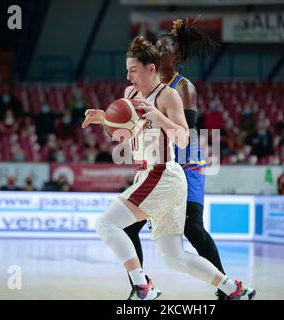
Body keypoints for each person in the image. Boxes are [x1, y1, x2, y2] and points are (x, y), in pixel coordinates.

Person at [81, 35, 255, 300]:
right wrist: (103, 119)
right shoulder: (130, 94)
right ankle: (233, 289)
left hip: (162, 173)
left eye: (133, 71)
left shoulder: (168, 95)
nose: (129, 78)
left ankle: (142, 287)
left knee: (106, 224)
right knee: (174, 258)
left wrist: (159, 116)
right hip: (151, 176)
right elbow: (125, 133)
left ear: (150, 69)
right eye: (127, 71)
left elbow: (184, 137)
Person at [122, 18, 229, 300]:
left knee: (192, 228)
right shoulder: (143, 87)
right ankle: (141, 286)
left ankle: (226, 285)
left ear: (177, 56)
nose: (158, 49)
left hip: (186, 164)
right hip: (161, 167)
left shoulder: (184, 88)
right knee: (128, 227)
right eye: (156, 45)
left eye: (164, 46)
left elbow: (185, 134)